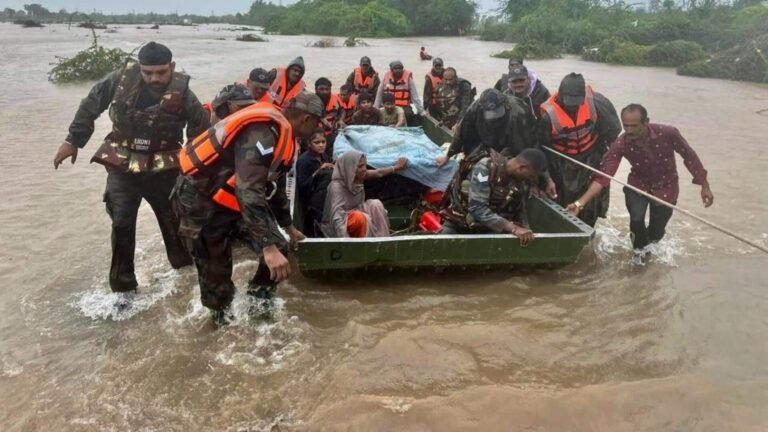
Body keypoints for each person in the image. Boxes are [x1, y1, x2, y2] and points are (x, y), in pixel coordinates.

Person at [53, 42, 208, 294]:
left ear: (172, 67)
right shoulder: (119, 81)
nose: (154, 78)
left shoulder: (184, 93)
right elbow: (90, 105)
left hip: (164, 170)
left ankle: (184, 281)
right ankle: (123, 290)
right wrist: (73, 140)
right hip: (122, 166)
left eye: (161, 72)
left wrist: (200, 175)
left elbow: (200, 133)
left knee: (175, 226)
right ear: (140, 67)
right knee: (121, 224)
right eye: (148, 73)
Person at [173, 92, 325, 324]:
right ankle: (219, 323)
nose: (317, 129)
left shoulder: (286, 138)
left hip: (234, 201)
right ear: (306, 120)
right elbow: (249, 189)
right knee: (218, 278)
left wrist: (288, 226)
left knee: (281, 247)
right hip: (201, 203)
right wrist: (267, 245)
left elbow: (274, 185)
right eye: (316, 123)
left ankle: (257, 301)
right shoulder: (262, 133)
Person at [566, 104, 714, 259]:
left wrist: (704, 185)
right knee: (636, 220)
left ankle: (649, 246)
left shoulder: (668, 133)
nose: (629, 130)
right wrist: (579, 204)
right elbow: (604, 177)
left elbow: (689, 156)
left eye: (634, 126)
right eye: (626, 126)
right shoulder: (621, 143)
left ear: (646, 122)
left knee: (656, 233)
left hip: (666, 187)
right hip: (638, 185)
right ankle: (638, 256)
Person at [538, 73, 622, 227]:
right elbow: (541, 147)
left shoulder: (598, 103)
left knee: (592, 202)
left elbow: (614, 132)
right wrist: (547, 177)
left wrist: (607, 157)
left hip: (591, 156)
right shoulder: (547, 116)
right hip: (563, 162)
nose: (573, 106)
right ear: (561, 95)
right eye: (569, 102)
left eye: (577, 102)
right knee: (562, 202)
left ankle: (588, 227)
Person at [439, 148, 548, 246]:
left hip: (489, 229)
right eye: (531, 175)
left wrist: (526, 229)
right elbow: (477, 209)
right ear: (522, 167)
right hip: (460, 224)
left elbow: (520, 209)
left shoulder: (521, 182)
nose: (530, 179)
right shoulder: (486, 167)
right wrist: (514, 229)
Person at [437, 89, 537, 166]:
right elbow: (461, 133)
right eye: (491, 114)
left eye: (497, 113)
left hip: (510, 143)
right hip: (486, 141)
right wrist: (448, 156)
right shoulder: (475, 108)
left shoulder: (518, 114)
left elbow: (523, 145)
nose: (494, 117)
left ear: (505, 105)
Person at [321, 150, 408, 238]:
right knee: (360, 218)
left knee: (375, 204)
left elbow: (378, 173)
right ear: (351, 168)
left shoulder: (358, 176)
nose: (364, 169)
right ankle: (365, 246)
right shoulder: (336, 186)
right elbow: (337, 218)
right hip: (341, 223)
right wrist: (346, 243)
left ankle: (382, 239)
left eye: (365, 165)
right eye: (360, 166)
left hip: (357, 211)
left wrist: (396, 167)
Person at [296, 129, 334, 237]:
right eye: (317, 143)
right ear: (309, 144)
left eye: (323, 142)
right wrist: (318, 172)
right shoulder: (304, 161)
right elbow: (302, 186)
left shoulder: (325, 157)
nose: (321, 145)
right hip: (312, 204)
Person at [374, 60, 424, 126]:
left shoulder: (408, 79)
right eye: (395, 69)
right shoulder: (386, 78)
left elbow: (415, 97)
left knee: (409, 115)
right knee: (378, 116)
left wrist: (421, 111)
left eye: (400, 68)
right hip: (389, 105)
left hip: (404, 106)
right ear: (391, 70)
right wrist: (375, 109)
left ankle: (410, 130)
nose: (398, 70)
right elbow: (379, 95)